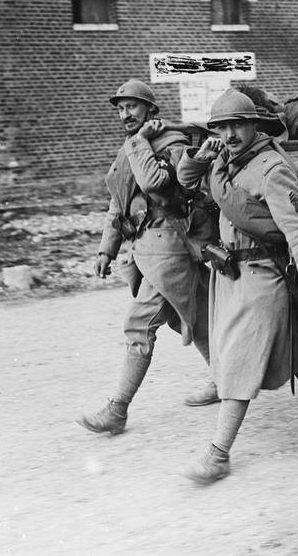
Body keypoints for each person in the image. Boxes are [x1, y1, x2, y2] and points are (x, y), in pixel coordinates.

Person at [176, 90, 298, 485]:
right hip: (233, 274)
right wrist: (200, 157)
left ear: (254, 124)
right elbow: (184, 180)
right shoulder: (224, 160)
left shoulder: (272, 169)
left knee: (239, 361)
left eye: (236, 125)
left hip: (264, 273)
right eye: (221, 127)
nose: (229, 134)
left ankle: (218, 454)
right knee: (295, 352)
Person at [77, 79, 218, 436]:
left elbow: (156, 183)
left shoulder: (171, 143)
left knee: (140, 325)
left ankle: (117, 409)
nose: (126, 114)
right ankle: (224, 380)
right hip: (143, 247)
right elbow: (118, 202)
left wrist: (140, 142)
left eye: (133, 107)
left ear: (151, 110)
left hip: (169, 247)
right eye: (121, 108)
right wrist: (106, 249)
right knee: (190, 319)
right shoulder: (132, 145)